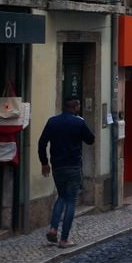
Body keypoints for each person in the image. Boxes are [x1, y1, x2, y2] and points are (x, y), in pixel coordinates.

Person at [38, 97, 95, 248]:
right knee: (71, 201)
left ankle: (53, 228)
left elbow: (41, 143)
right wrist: (82, 123)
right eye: (79, 105)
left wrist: (44, 163)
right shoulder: (78, 122)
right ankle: (64, 239)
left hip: (57, 167)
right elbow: (91, 139)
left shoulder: (52, 121)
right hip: (73, 166)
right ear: (75, 107)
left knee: (61, 197)